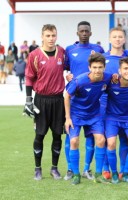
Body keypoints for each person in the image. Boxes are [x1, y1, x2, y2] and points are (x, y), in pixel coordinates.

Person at [64, 21, 105, 181]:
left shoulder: (98, 49)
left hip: (93, 99)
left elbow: (104, 67)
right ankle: (70, 169)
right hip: (75, 98)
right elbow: (65, 68)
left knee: (92, 138)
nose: (84, 33)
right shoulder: (70, 49)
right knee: (71, 137)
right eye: (81, 31)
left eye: (87, 31)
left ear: (90, 32)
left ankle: (87, 169)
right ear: (77, 33)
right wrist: (67, 75)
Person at [25, 24, 65, 181]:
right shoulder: (34, 55)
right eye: (48, 35)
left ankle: (54, 169)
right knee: (39, 135)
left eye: (53, 35)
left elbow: (71, 66)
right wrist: (28, 99)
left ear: (56, 36)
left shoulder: (62, 52)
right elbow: (29, 77)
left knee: (57, 135)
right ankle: (37, 169)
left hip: (58, 100)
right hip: (41, 100)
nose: (51, 38)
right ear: (42, 36)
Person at [64, 53, 112, 185]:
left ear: (104, 67)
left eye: (100, 67)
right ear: (89, 67)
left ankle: (98, 174)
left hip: (94, 114)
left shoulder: (107, 78)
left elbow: (116, 81)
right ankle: (76, 175)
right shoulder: (79, 81)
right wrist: (67, 118)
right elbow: (67, 96)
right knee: (74, 141)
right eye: (94, 67)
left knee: (101, 140)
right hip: (76, 114)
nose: (97, 70)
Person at [105, 57, 128, 184]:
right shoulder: (111, 82)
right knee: (110, 144)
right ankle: (114, 173)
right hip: (112, 118)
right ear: (119, 70)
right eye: (125, 69)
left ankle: (125, 173)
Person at [101, 27, 128, 179]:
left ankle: (124, 170)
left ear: (124, 39)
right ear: (110, 39)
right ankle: (106, 169)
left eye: (120, 37)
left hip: (126, 104)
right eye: (115, 37)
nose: (118, 39)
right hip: (106, 104)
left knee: (125, 139)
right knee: (109, 139)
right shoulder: (103, 58)